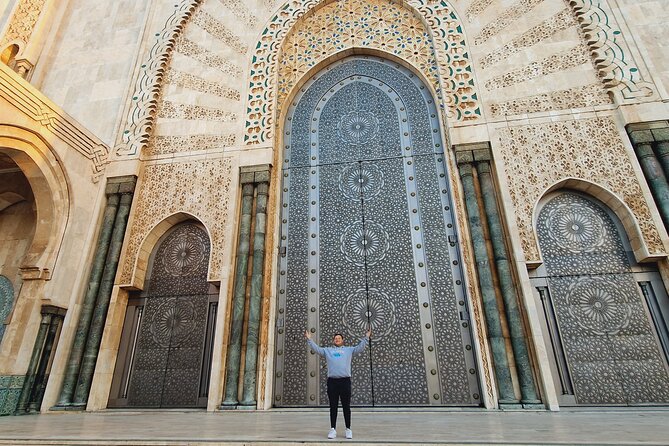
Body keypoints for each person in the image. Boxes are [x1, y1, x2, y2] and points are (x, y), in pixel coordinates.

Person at [305, 329, 371, 440]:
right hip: (332, 382)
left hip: (345, 381)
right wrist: (309, 339)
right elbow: (317, 349)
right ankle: (332, 429)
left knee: (346, 406)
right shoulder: (328, 350)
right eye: (336, 338)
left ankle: (348, 429)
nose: (337, 339)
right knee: (333, 406)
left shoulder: (348, 350)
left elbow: (359, 348)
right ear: (333, 340)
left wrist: (366, 338)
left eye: (339, 338)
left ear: (342, 340)